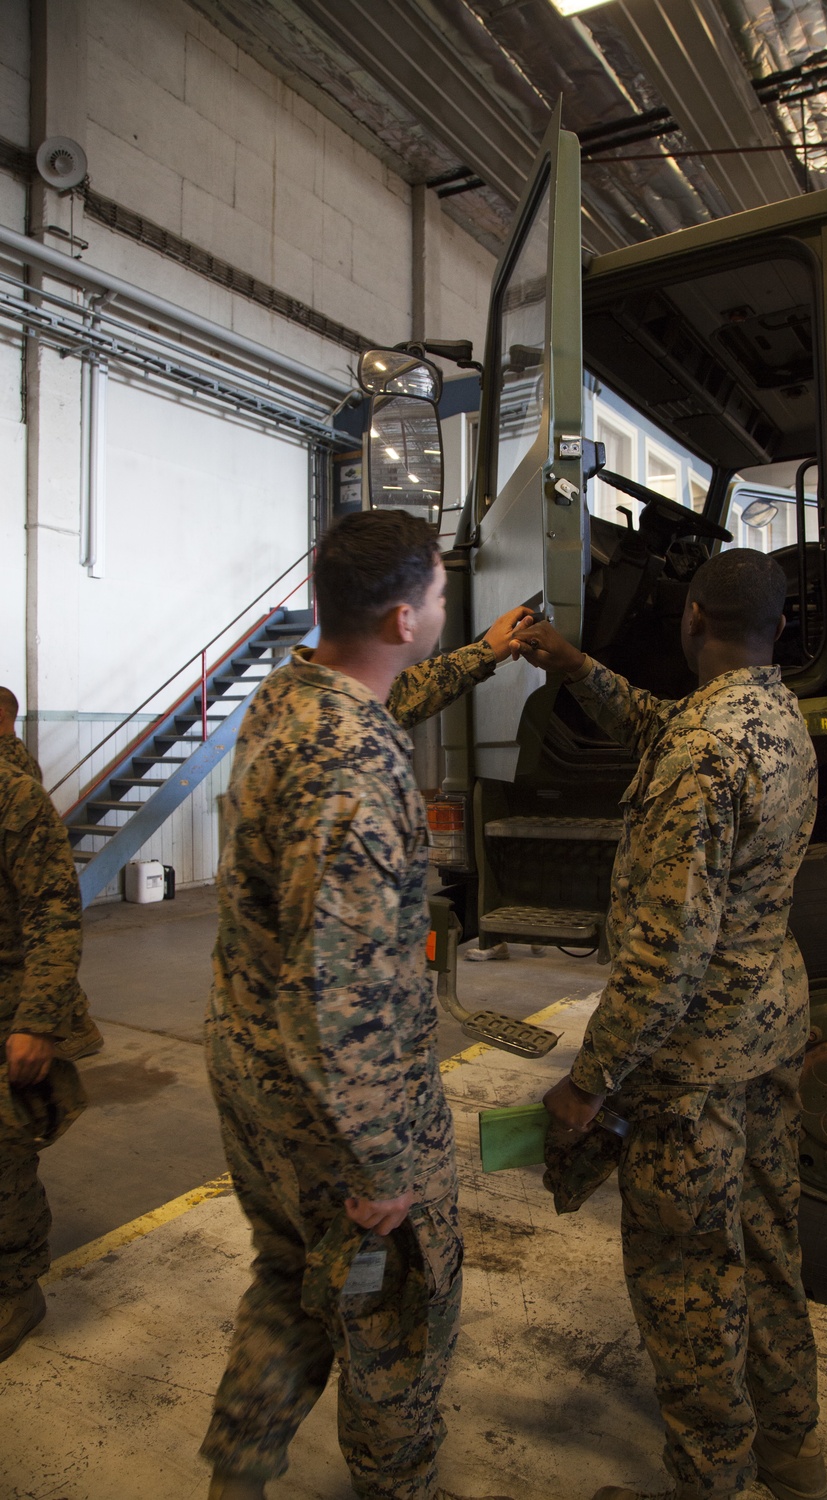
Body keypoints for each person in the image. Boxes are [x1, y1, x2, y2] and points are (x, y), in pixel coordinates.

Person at [201, 510, 528, 1500]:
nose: (440, 604)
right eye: (435, 593)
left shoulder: (294, 699)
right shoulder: (355, 766)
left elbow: (395, 695)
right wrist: (380, 1161)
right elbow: (344, 989)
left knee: (288, 1280)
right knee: (390, 1309)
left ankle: (239, 1471)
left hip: (253, 1073)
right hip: (335, 1102)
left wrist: (483, 654)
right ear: (400, 616)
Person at [511, 549, 827, 1500]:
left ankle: (711, 1481)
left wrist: (586, 1083)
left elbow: (664, 956)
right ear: (777, 628)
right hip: (769, 1034)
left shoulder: (702, 754)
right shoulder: (778, 720)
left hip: (692, 1068)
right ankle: (793, 1453)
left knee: (690, 1281)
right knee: (770, 1249)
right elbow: (664, 721)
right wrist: (575, 668)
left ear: (692, 618)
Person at [0, 756, 88, 1360]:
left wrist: (38, 1022)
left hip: (9, 1004)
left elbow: (54, 911)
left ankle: (15, 1289)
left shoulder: (15, 799)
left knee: (2, 1155)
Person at [0, 686, 103, 1062]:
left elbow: (54, 909)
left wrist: (36, 1023)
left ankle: (76, 1028)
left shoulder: (15, 775)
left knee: (41, 954)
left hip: (18, 894)